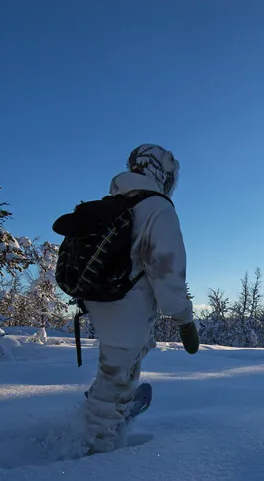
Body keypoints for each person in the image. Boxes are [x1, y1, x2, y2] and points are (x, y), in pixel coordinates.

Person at [81, 144, 198, 453]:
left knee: (119, 365)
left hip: (101, 301)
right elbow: (166, 270)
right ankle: (93, 449)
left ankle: (110, 403)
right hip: (127, 306)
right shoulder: (157, 208)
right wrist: (184, 319)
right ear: (161, 172)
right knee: (116, 376)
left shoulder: (116, 203)